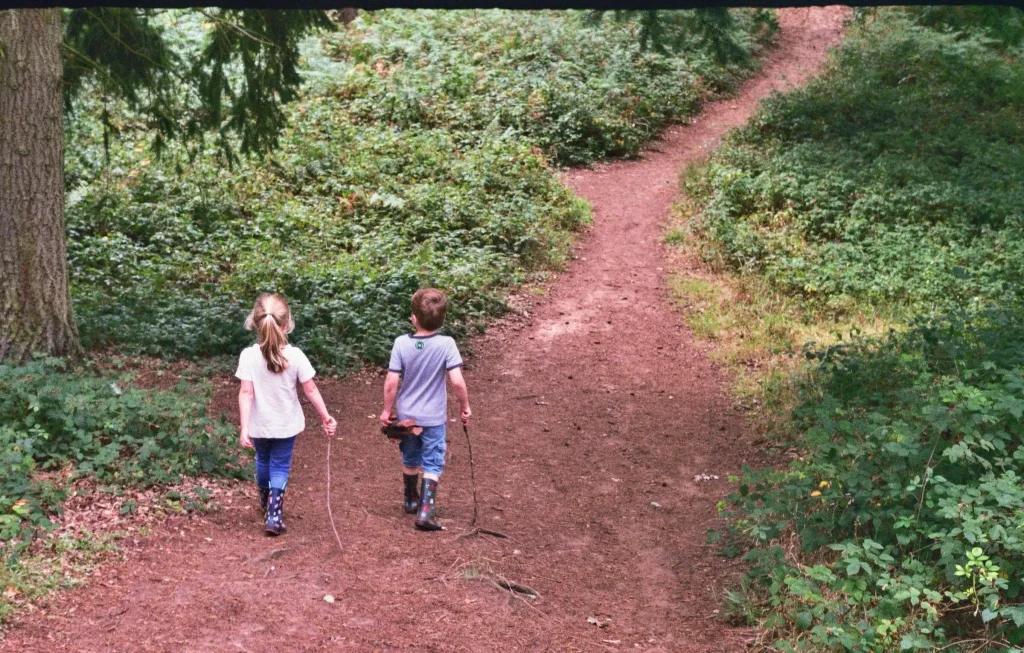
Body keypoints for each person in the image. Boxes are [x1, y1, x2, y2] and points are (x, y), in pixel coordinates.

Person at [236, 294, 336, 536]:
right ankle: (274, 514)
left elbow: (246, 393)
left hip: (259, 424)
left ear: (256, 323)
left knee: (262, 461)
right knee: (279, 466)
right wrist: (325, 416)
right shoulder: (296, 355)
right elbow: (310, 388)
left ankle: (265, 502)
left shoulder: (248, 356)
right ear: (286, 324)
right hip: (285, 425)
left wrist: (244, 427)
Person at [379, 288, 471, 531]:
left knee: (410, 456)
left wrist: (387, 411)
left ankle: (410, 499)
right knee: (432, 461)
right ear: (442, 319)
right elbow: (457, 381)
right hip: (433, 418)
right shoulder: (447, 344)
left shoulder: (401, 344)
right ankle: (425, 511)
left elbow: (391, 382)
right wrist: (465, 407)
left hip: (407, 416)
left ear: (414, 318)